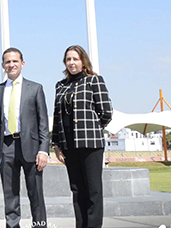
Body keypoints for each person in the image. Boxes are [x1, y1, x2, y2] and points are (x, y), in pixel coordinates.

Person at [52, 45, 112, 228]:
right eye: (68, 59)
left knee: (93, 190)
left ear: (83, 61)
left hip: (90, 144)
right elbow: (57, 116)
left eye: (75, 59)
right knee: (77, 190)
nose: (72, 63)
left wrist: (92, 129)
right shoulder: (60, 86)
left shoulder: (94, 80)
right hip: (69, 146)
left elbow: (106, 112)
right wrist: (56, 144)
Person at [0, 48, 49, 228]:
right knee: (10, 194)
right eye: (7, 62)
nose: (11, 65)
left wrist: (44, 149)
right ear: (3, 66)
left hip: (31, 146)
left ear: (22, 63)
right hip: (6, 146)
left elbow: (43, 122)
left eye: (15, 61)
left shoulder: (35, 89)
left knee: (36, 194)